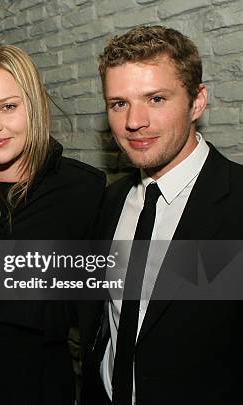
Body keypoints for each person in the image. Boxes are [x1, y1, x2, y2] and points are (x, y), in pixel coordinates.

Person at [0, 45, 105, 404]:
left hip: (41, 382)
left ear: (35, 105)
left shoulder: (83, 189)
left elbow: (98, 298)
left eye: (8, 106)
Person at [82, 25, 243, 405]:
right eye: (119, 103)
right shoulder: (111, 200)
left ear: (197, 101)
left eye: (155, 99)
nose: (134, 121)